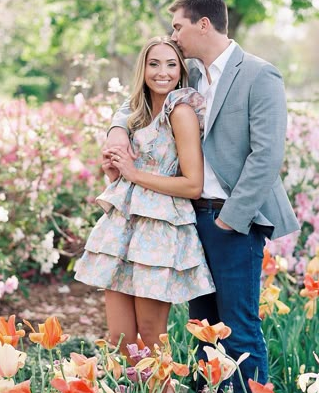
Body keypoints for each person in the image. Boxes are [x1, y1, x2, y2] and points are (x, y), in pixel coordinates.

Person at [105, 0, 300, 393]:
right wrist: (117, 131)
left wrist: (232, 219)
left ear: (203, 24)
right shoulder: (191, 75)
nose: (173, 36)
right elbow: (140, 95)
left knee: (239, 326)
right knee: (202, 324)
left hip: (233, 221)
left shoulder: (258, 74)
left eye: (178, 26)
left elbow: (266, 155)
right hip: (192, 219)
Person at [75, 36, 216, 359]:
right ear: (143, 69)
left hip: (159, 231)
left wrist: (135, 174)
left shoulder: (180, 111)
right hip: (124, 227)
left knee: (151, 337)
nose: (162, 72)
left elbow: (193, 184)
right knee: (120, 337)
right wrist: (116, 171)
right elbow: (131, 169)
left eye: (171, 64)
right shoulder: (136, 113)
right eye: (154, 64)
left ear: (181, 71)